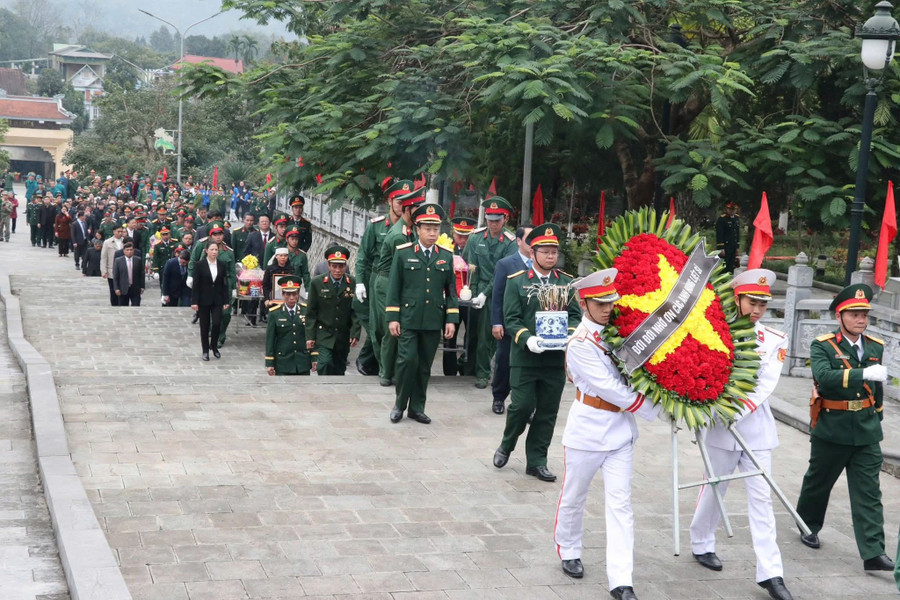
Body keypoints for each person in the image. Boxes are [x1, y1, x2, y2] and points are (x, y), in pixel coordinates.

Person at [552, 269, 658, 599]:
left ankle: (621, 580)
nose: (607, 309)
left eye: (611, 302)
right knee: (574, 495)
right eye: (600, 303)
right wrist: (654, 407)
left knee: (620, 505)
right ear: (584, 304)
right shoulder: (580, 344)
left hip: (620, 434)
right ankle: (568, 549)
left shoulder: (619, 333)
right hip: (588, 429)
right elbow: (610, 388)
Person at [689, 269, 794, 600]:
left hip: (755, 431)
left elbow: (765, 385)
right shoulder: (714, 334)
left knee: (762, 499)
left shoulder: (775, 339)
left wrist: (735, 410)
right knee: (714, 488)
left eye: (763, 304)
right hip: (720, 430)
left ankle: (771, 573)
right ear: (737, 299)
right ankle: (701, 541)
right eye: (752, 302)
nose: (758, 310)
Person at [795, 284, 893, 571]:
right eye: (854, 314)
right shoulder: (823, 345)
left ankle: (873, 552)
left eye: (864, 315)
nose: (861, 320)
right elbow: (824, 378)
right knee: (818, 482)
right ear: (840, 316)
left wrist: (878, 415)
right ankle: (807, 524)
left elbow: (878, 389)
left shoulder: (876, 346)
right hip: (832, 427)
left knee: (869, 493)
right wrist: (862, 372)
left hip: (865, 430)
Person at [492, 223, 581, 482]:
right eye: (545, 252)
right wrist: (527, 339)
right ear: (533, 254)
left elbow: (575, 315)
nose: (551, 256)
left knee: (547, 411)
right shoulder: (517, 281)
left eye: (554, 252)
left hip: (554, 360)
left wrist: (569, 334)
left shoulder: (565, 283)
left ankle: (537, 461)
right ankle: (507, 444)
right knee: (521, 406)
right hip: (525, 358)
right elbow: (511, 318)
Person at [386, 203, 459, 424]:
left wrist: (451, 320)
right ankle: (400, 405)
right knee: (407, 361)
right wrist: (392, 317)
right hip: (408, 319)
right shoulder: (404, 253)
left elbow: (451, 293)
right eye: (427, 228)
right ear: (418, 229)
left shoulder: (446, 256)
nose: (432, 233)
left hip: (432, 320)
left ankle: (417, 408)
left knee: (425, 365)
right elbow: (394, 287)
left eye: (436, 229)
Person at [371, 180, 423, 386]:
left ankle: (391, 370)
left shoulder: (407, 231)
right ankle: (386, 372)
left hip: (394, 281)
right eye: (417, 209)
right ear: (408, 210)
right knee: (390, 330)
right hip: (387, 284)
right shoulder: (399, 237)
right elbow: (403, 268)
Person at [463, 197, 518, 389]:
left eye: (497, 220)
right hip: (476, 290)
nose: (493, 224)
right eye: (490, 219)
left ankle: (483, 373)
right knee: (473, 332)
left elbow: (502, 272)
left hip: (499, 291)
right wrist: (470, 289)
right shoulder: (476, 237)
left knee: (489, 334)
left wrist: (485, 293)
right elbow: (468, 265)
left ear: (505, 219)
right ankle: (472, 368)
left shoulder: (511, 242)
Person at [355, 179, 405, 376]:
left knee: (393, 325)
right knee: (377, 327)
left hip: (401, 281)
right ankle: (382, 366)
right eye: (399, 202)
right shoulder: (376, 226)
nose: (403, 206)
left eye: (406, 204)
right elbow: (362, 257)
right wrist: (360, 281)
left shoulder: (411, 228)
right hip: (378, 279)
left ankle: (384, 366)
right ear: (390, 201)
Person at [489, 226, 532, 414]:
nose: (533, 244)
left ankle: (526, 404)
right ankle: (499, 397)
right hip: (509, 324)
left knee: (529, 366)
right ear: (519, 241)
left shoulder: (542, 263)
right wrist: (496, 322)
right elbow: (497, 295)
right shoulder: (506, 264)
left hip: (530, 325)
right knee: (504, 362)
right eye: (529, 239)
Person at [305, 245, 361, 375]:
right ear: (328, 266)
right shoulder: (317, 283)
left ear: (345, 266)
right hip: (324, 333)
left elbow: (356, 311)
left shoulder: (352, 283)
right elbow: (311, 312)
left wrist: (355, 333)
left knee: (339, 368)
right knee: (324, 363)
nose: (337, 270)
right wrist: (310, 336)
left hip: (343, 335)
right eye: (334, 266)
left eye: (341, 266)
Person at [442, 216, 478, 377]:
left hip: (471, 299)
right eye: (459, 235)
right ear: (453, 233)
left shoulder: (476, 249)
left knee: (472, 335)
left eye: (466, 236)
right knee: (450, 335)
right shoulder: (446, 247)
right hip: (451, 299)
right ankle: (449, 371)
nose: (462, 239)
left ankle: (466, 366)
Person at [191, 240, 230, 361]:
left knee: (217, 322)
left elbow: (224, 284)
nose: (214, 252)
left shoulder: (222, 265)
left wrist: (226, 300)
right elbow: (196, 284)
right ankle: (205, 350)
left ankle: (214, 345)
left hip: (217, 298)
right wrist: (194, 301)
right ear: (206, 251)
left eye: (216, 250)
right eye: (212, 249)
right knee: (204, 325)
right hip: (203, 299)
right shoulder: (199, 265)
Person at [265, 276, 313, 375]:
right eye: (288, 294)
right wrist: (269, 362)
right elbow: (270, 339)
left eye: (294, 294)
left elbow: (311, 335)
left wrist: (315, 357)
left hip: (302, 362)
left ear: (298, 294)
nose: (291, 297)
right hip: (283, 362)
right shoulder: (275, 313)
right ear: (283, 294)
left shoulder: (306, 311)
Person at [112, 241, 145, 306]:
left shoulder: (138, 260)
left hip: (135, 288)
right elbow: (116, 276)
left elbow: (141, 274)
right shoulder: (118, 261)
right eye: (127, 250)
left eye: (131, 250)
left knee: (136, 306)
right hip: (123, 289)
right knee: (123, 307)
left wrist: (142, 286)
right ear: (124, 251)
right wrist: (116, 288)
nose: (129, 251)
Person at [101, 224, 125, 306]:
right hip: (111, 269)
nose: (120, 233)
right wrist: (104, 271)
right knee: (113, 289)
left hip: (123, 269)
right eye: (118, 231)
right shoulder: (107, 242)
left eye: (121, 231)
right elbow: (104, 257)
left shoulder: (125, 241)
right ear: (114, 231)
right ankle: (114, 305)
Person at [716, 201, 741, 274]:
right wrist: (721, 248)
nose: (732, 211)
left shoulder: (736, 218)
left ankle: (729, 279)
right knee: (724, 265)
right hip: (725, 246)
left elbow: (737, 234)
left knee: (732, 265)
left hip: (733, 246)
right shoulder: (722, 219)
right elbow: (719, 234)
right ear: (726, 209)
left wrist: (737, 247)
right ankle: (722, 281)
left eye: (734, 209)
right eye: (730, 209)